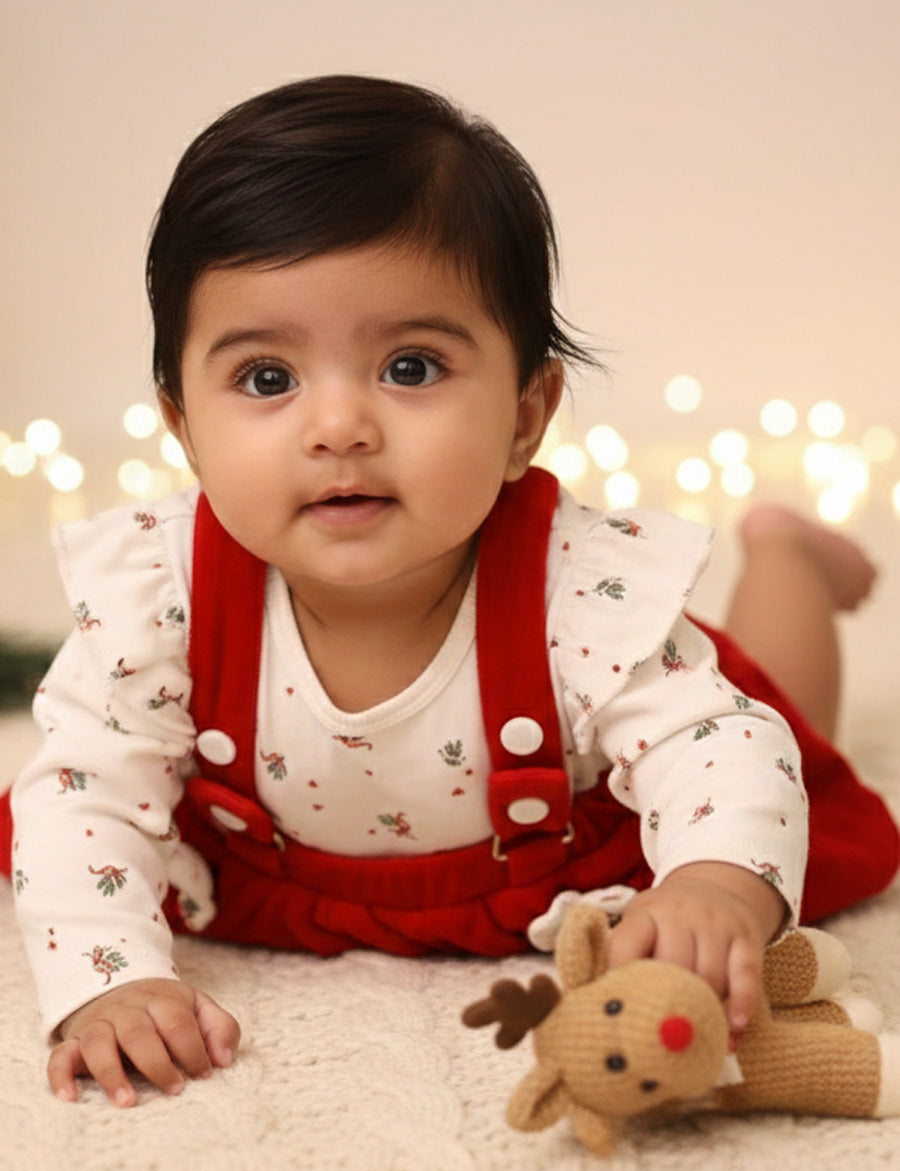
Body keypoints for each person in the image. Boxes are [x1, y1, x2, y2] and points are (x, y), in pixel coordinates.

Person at [3, 75, 897, 1110]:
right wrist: (109, 983)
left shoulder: (581, 591)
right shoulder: (163, 599)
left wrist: (711, 881)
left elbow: (722, 749)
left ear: (526, 414)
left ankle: (786, 558)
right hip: (283, 878)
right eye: (265, 379)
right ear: (182, 426)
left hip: (578, 849)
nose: (338, 426)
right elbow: (81, 794)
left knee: (781, 707)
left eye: (412, 367)